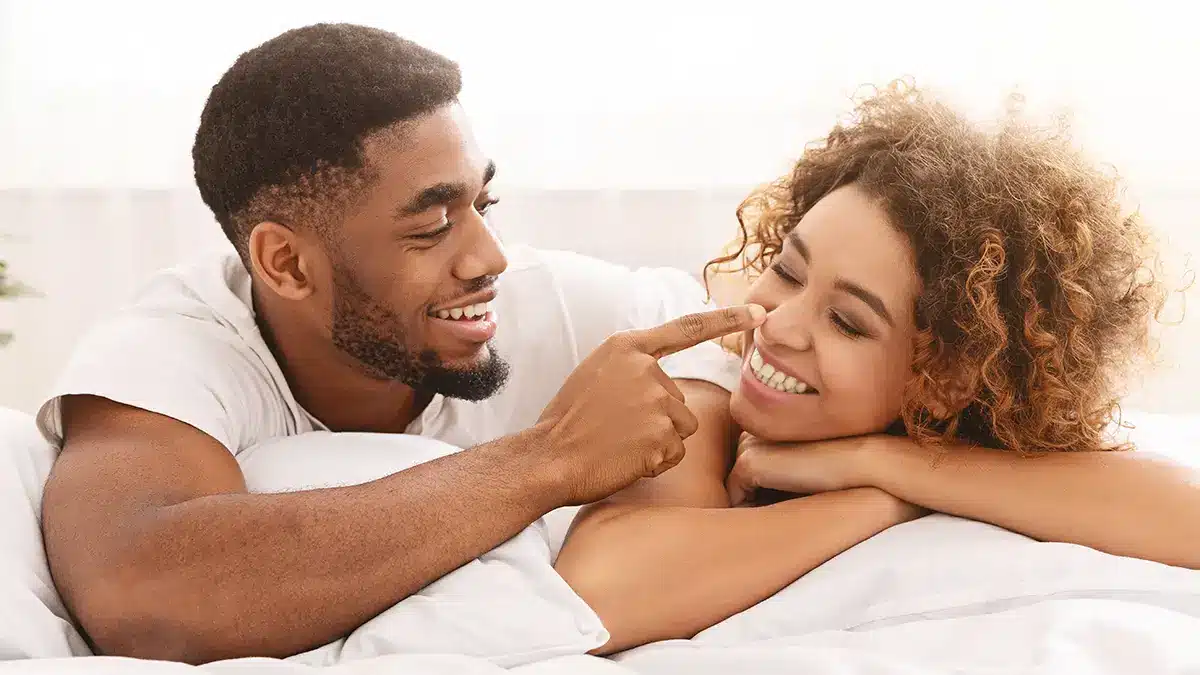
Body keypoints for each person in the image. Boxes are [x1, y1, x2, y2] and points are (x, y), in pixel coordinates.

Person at [34, 23, 769, 664]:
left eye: (484, 203)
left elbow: (753, 359)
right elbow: (141, 593)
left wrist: (872, 478)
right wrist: (550, 457)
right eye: (431, 228)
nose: (491, 258)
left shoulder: (585, 310)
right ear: (285, 263)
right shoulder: (176, 347)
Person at [554, 82, 1200, 654]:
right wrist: (878, 504)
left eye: (847, 321)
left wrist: (882, 464)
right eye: (787, 269)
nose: (777, 325)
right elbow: (601, 593)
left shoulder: (978, 440)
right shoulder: (707, 383)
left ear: (950, 375)